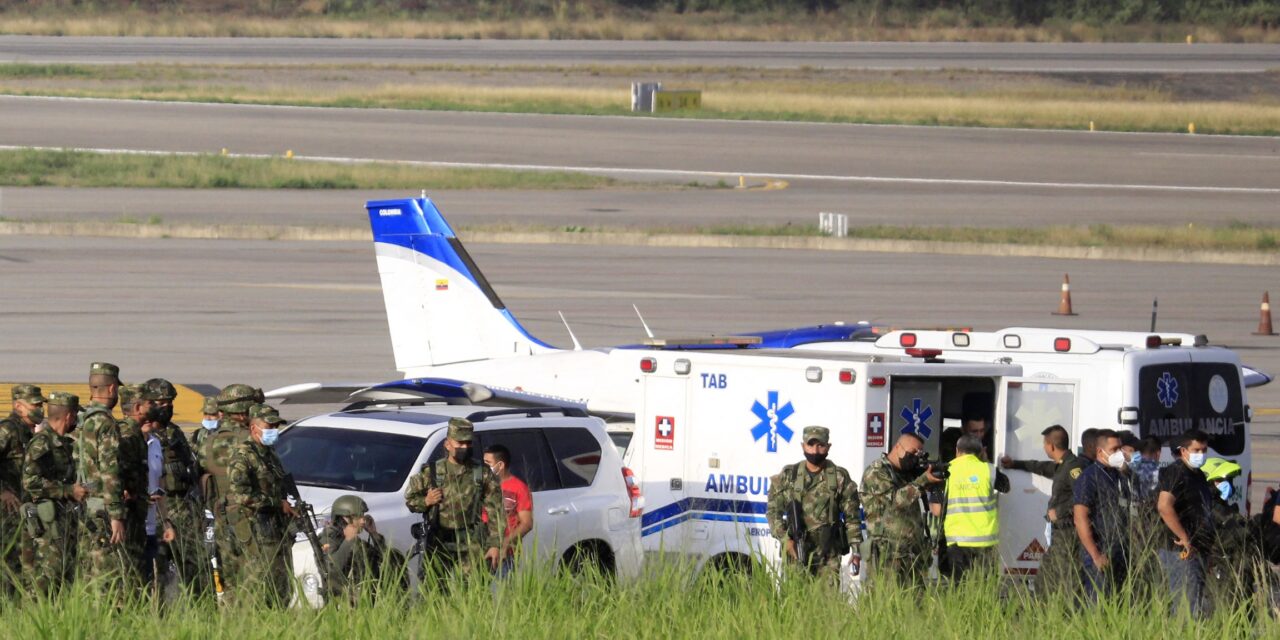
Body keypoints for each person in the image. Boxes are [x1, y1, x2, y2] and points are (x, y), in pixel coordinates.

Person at [404, 418, 503, 586]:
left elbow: (496, 511)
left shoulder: (481, 473)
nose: (464, 447)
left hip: (471, 542)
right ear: (448, 444)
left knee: (474, 591)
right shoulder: (432, 472)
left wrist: (495, 545)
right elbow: (410, 500)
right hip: (439, 540)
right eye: (460, 443)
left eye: (468, 443)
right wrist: (426, 501)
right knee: (433, 591)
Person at [765, 426, 861, 583]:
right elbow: (773, 511)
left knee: (828, 605)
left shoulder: (839, 477)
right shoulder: (789, 476)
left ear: (828, 447)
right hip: (795, 551)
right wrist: (786, 540)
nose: (815, 451)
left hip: (828, 556)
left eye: (821, 445)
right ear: (803, 446)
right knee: (796, 602)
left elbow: (852, 517)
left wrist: (856, 552)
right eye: (810, 445)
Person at [1001, 424, 1087, 598]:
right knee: (1046, 574)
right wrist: (1014, 464)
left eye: (1044, 444)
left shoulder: (1073, 467)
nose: (1044, 448)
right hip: (1058, 532)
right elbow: (1040, 466)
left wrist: (1060, 511)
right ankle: (1044, 607)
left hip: (1068, 531)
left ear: (1051, 446)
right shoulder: (1063, 465)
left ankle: (1070, 608)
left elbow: (1083, 496)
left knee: (1067, 574)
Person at [226, 403, 296, 604]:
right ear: (253, 428)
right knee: (261, 576)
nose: (274, 431)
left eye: (276, 427)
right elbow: (241, 494)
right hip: (255, 525)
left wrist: (286, 501)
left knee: (282, 575)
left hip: (275, 525)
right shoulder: (243, 455)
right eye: (269, 427)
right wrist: (276, 502)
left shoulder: (269, 454)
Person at [76, 362, 135, 590]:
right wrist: (116, 515)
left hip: (87, 501)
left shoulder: (85, 420)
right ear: (111, 389)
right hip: (102, 506)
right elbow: (110, 470)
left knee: (90, 569)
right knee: (108, 573)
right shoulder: (105, 422)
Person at [21, 391, 85, 595]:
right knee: (46, 578)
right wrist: (67, 491)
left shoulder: (63, 443)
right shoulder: (43, 443)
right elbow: (30, 481)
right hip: (47, 525)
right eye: (76, 416)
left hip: (63, 520)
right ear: (68, 416)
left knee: (64, 577)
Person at [861, 430, 943, 586]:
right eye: (911, 453)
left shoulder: (908, 474)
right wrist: (922, 480)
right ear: (897, 447)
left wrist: (935, 485)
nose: (913, 458)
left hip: (912, 555)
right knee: (885, 604)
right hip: (887, 556)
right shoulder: (878, 472)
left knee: (914, 606)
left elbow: (936, 509)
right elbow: (894, 503)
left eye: (918, 455)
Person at [146, 378, 204, 597]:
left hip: (184, 507)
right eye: (161, 402)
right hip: (160, 509)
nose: (167, 407)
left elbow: (190, 466)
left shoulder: (175, 432)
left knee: (194, 565)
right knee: (158, 569)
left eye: (170, 402)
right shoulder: (142, 435)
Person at [198, 383, 257, 590]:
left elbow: (203, 472)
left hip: (222, 513)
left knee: (228, 575)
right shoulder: (251, 440)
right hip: (250, 515)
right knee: (255, 575)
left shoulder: (210, 441)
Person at [1155, 429, 1214, 617]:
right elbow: (1164, 506)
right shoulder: (1176, 472)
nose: (1201, 454)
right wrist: (1184, 537)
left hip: (1199, 548)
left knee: (1194, 601)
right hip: (1181, 551)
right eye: (1196, 450)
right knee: (1184, 607)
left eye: (1204, 450)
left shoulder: (1198, 474)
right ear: (1183, 451)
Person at [1073, 429, 1132, 602]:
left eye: (1120, 449)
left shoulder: (1119, 475)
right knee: (1099, 603)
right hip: (1101, 549)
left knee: (1119, 601)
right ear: (1100, 452)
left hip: (1121, 549)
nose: (1119, 453)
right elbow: (1080, 518)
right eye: (1114, 449)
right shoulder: (1089, 477)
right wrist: (1096, 555)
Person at [942, 435, 1007, 580]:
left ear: (957, 451)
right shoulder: (988, 469)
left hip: (957, 541)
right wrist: (985, 460)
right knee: (984, 585)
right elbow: (1006, 486)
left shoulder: (947, 470)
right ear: (980, 452)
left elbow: (940, 507)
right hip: (985, 541)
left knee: (960, 587)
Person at [0, 384, 44, 595]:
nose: (39, 409)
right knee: (9, 559)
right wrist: (3, 491)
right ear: (18, 406)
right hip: (7, 509)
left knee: (21, 560)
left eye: (40, 405)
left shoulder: (28, 433)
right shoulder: (8, 429)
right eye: (34, 405)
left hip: (22, 508)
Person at [320, 494, 405, 602]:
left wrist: (373, 534)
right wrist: (348, 541)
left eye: (363, 516)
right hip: (345, 600)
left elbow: (382, 558)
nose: (362, 521)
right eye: (358, 517)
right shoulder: (329, 538)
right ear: (345, 518)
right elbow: (331, 569)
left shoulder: (353, 539)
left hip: (367, 594)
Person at [116, 383, 157, 584]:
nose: (154, 407)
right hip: (128, 514)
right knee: (130, 568)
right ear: (138, 408)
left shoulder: (135, 434)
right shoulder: (127, 435)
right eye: (150, 403)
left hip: (137, 512)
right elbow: (116, 470)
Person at [483, 444, 534, 578]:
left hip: (504, 554)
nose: (484, 467)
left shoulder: (519, 488)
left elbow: (527, 523)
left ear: (500, 465)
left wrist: (505, 543)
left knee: (501, 594)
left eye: (488, 463)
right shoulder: (482, 486)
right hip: (481, 548)